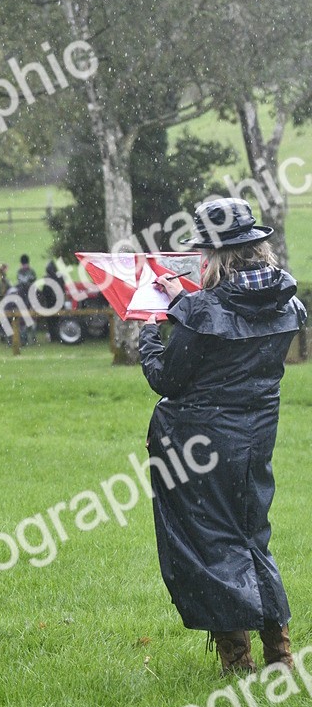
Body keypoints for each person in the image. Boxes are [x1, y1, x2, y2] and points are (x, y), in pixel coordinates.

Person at [139, 197, 306, 674]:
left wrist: (154, 332)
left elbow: (168, 379)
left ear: (216, 256)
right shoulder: (285, 303)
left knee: (208, 540)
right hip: (255, 440)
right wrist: (183, 304)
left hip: (199, 444)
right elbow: (234, 327)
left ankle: (236, 661)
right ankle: (281, 655)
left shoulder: (200, 308)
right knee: (252, 535)